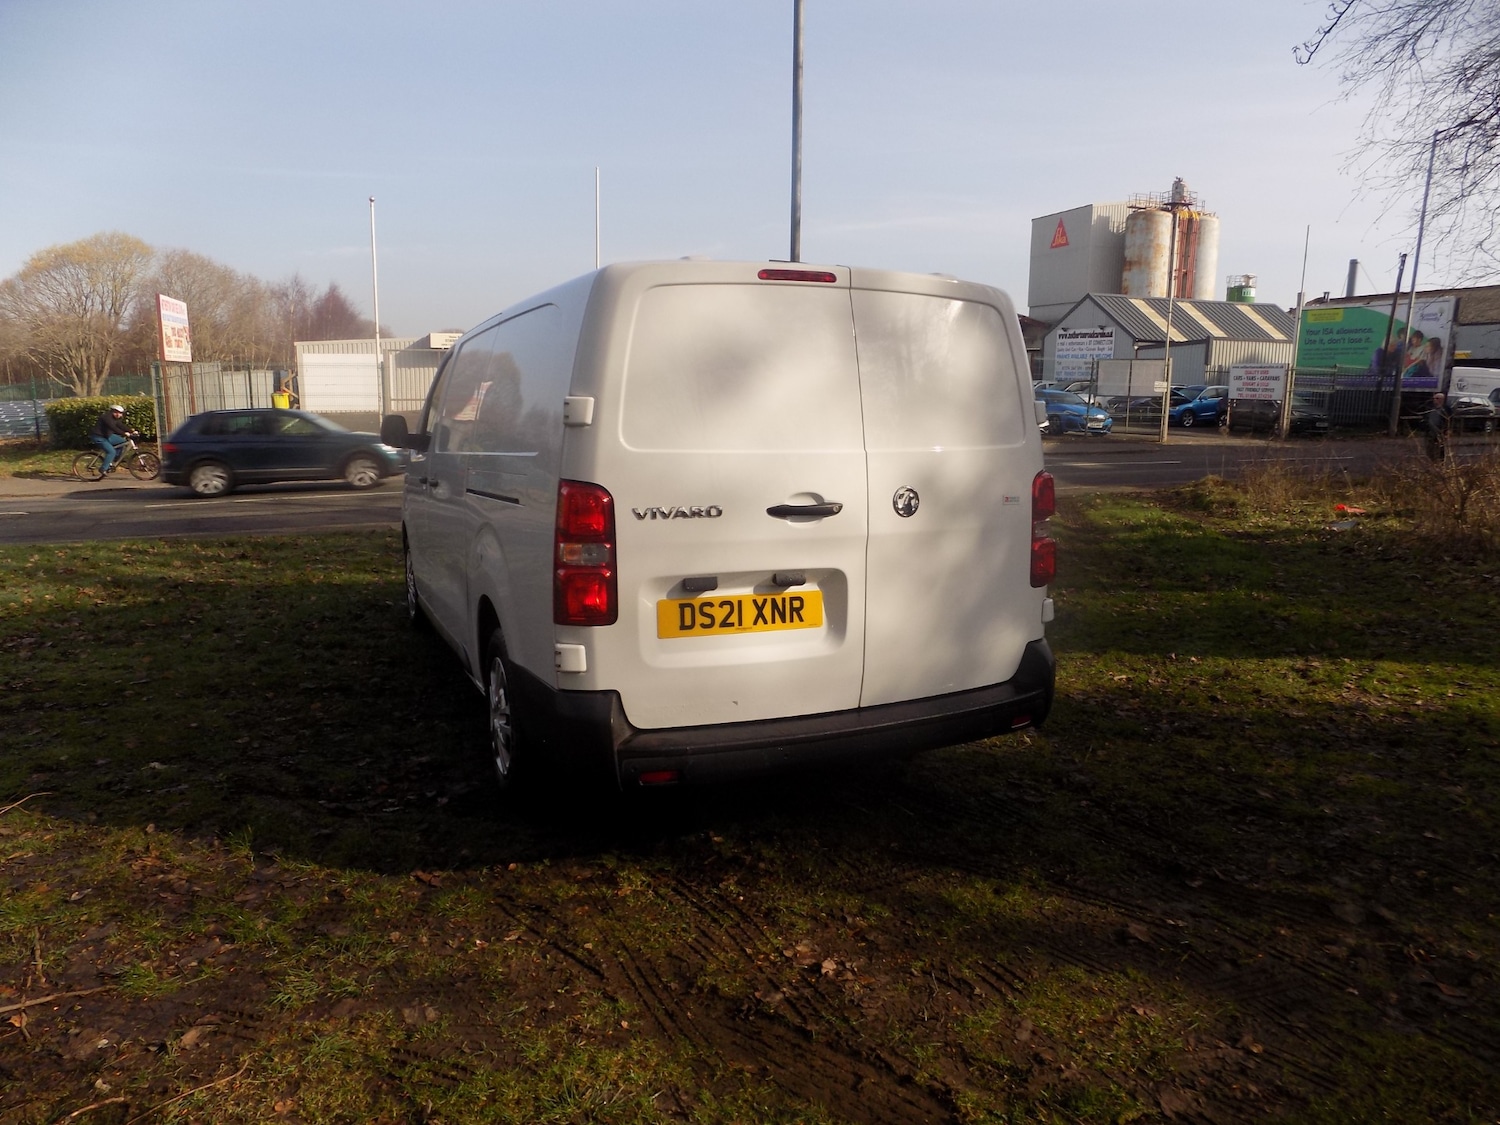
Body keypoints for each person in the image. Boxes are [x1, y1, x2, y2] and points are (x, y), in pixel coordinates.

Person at [90, 404, 137, 474]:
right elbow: (113, 428)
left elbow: (121, 426)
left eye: (120, 413)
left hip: (107, 436)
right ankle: (103, 469)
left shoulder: (115, 419)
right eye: (116, 412)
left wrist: (132, 431)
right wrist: (124, 433)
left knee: (123, 442)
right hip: (99, 437)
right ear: (111, 411)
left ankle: (113, 460)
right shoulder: (106, 417)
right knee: (111, 452)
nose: (118, 414)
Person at [1425, 392, 1452, 460]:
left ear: (1442, 399)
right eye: (1434, 398)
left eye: (1437, 398)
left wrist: (1447, 431)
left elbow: (1449, 420)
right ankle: (1432, 461)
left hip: (1441, 431)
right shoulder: (1430, 408)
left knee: (1440, 448)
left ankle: (1440, 462)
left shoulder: (1446, 409)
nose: (1435, 400)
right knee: (1430, 448)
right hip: (1430, 432)